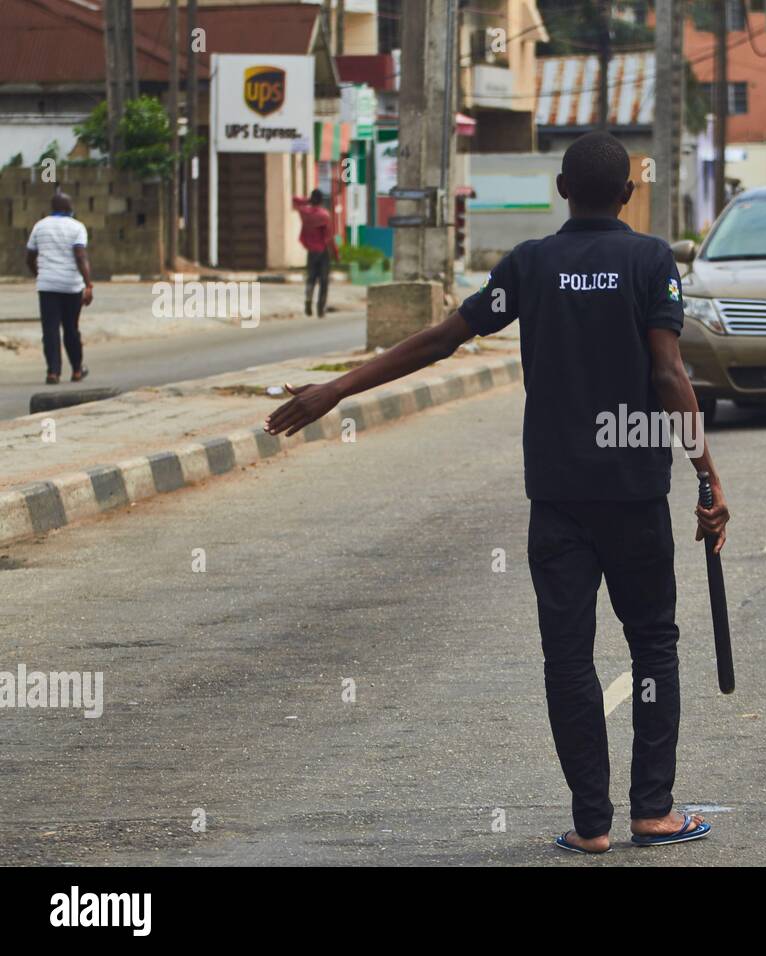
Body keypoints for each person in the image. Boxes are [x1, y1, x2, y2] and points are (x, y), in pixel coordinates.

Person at [265, 131, 731, 854]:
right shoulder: (648, 260)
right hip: (635, 493)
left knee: (569, 658)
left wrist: (338, 388)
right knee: (653, 648)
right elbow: (669, 375)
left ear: (561, 190)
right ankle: (654, 812)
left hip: (558, 499)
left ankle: (592, 825)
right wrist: (706, 474)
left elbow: (441, 339)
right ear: (629, 195)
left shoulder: (532, 264)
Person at [25, 192, 93, 385]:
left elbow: (29, 257)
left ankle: (53, 372)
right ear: (68, 208)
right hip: (71, 286)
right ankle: (77, 370)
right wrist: (88, 284)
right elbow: (80, 257)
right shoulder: (77, 227)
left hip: (47, 286)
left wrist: (40, 274)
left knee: (50, 329)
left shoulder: (40, 226)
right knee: (71, 328)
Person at [292, 189, 338, 317]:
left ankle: (308, 301)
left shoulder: (304, 212)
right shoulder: (324, 215)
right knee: (323, 281)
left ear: (312, 199)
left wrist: (308, 201)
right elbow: (329, 238)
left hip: (311, 252)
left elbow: (294, 200)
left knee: (310, 279)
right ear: (322, 200)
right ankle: (320, 308)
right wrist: (336, 253)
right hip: (323, 252)